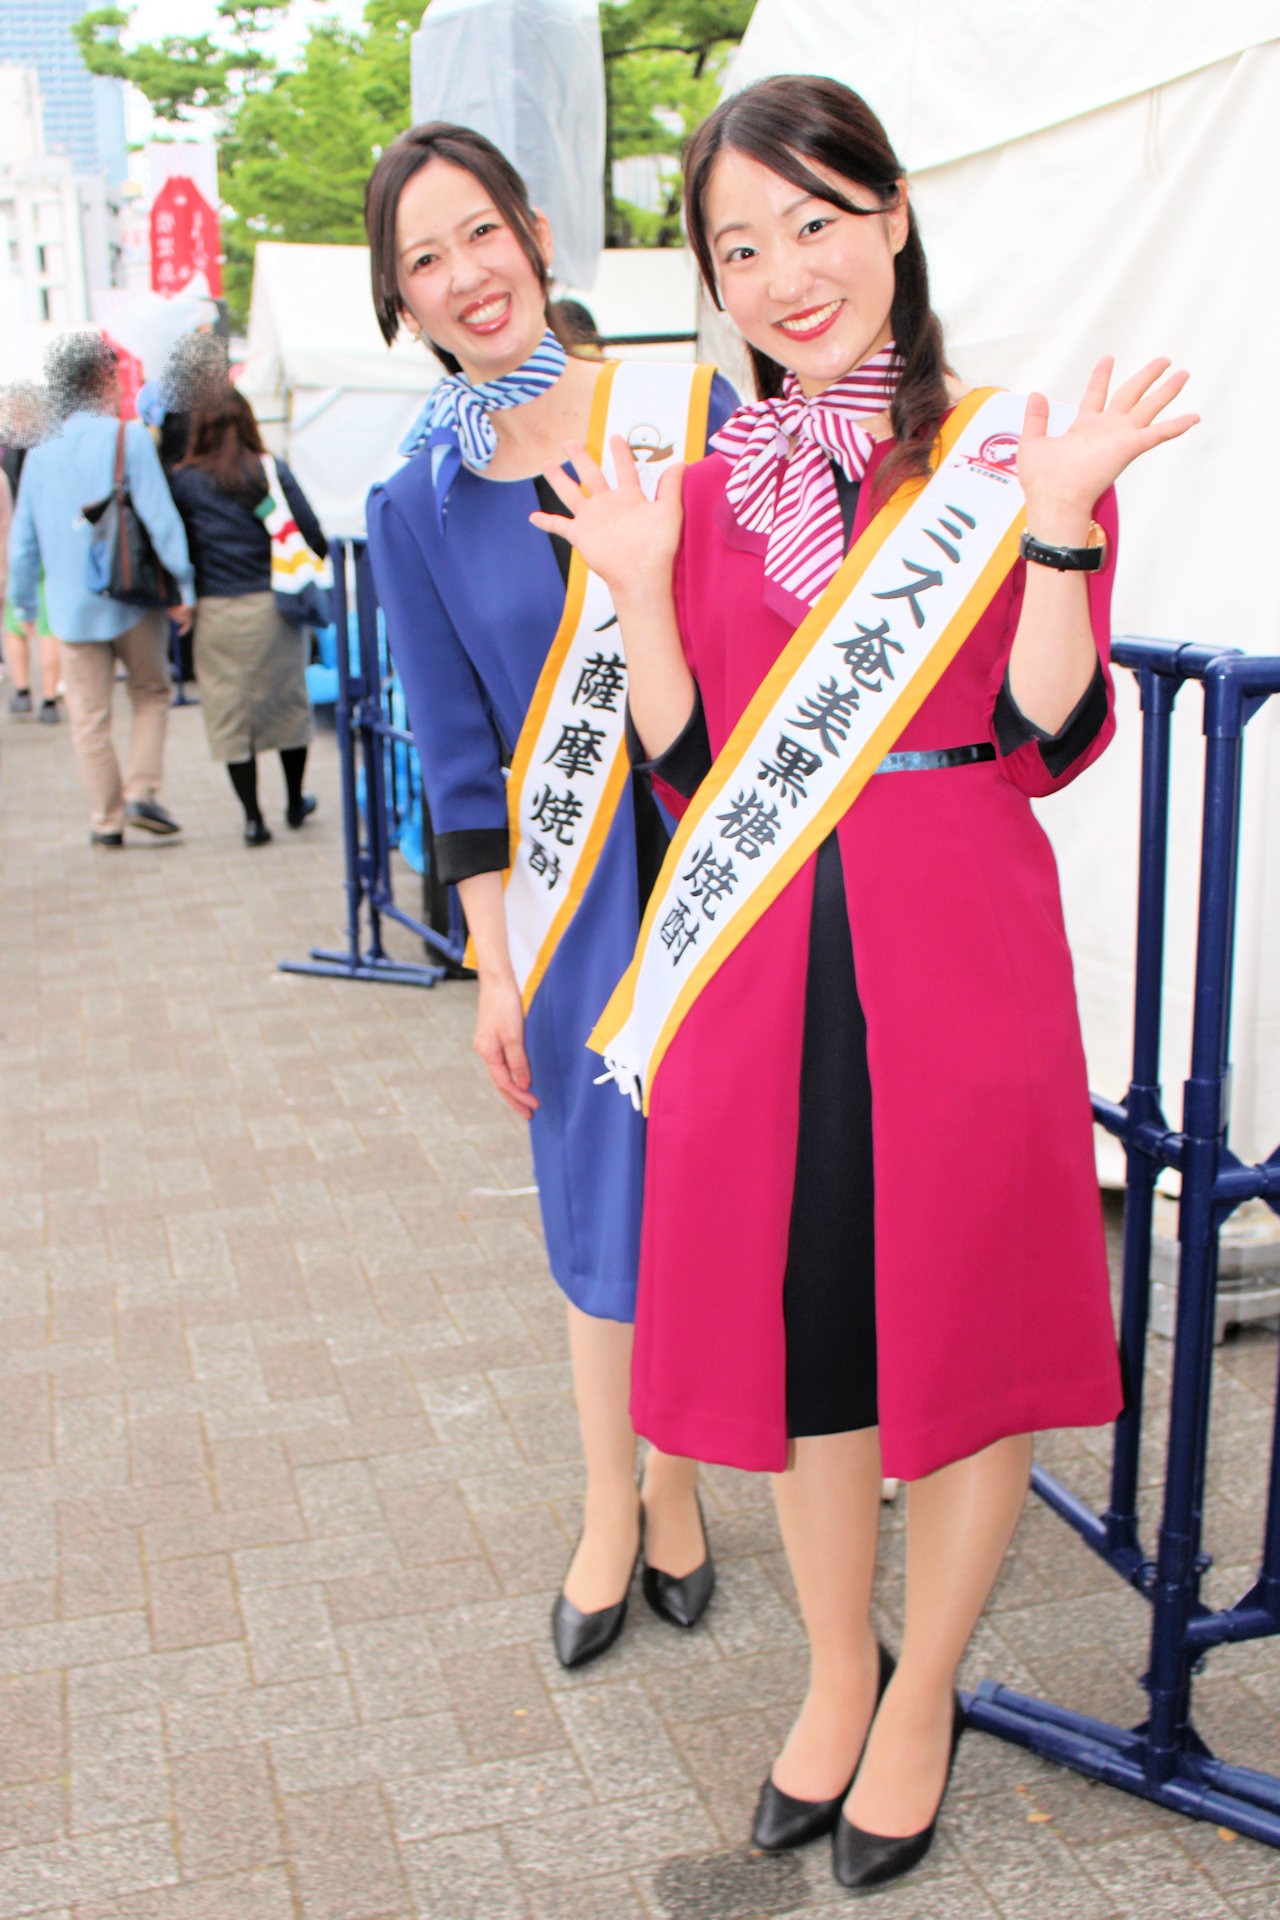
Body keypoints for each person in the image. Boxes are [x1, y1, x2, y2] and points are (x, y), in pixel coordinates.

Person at [533, 75, 1197, 1888]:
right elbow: (686, 774)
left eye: (813, 223)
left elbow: (1053, 731)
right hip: (766, 962)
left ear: (893, 215)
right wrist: (648, 593)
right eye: (736, 248)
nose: (780, 274)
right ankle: (842, 1674)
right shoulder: (714, 484)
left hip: (957, 938)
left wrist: (1060, 531)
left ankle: (930, 1701)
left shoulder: (999, 451)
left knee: (959, 1345)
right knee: (811, 1329)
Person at [362, 123, 737, 1668]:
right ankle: (610, 1500)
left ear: (534, 233)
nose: (466, 276)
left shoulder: (678, 413)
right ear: (405, 303)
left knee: (714, 1186)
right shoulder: (416, 503)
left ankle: (684, 1478)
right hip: (574, 902)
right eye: (424, 262)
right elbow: (459, 768)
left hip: (717, 860)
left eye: (479, 234)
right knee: (598, 1206)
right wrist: (494, 968)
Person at [6, 335, 193, 845]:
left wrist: (22, 603)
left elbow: (22, 542)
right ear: (103, 381)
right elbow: (160, 519)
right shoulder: (127, 438)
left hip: (69, 610)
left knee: (88, 720)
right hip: (133, 600)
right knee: (152, 693)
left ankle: (106, 823)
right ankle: (141, 790)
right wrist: (185, 586)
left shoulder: (40, 451)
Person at [169, 386, 322, 845]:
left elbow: (178, 548)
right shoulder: (270, 471)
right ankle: (295, 801)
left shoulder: (184, 480)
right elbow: (313, 534)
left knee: (231, 717)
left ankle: (253, 818)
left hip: (216, 613)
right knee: (288, 709)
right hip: (275, 609)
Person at [1, 383, 62, 723]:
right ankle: (50, 699)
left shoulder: (7, 451)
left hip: (14, 548)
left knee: (16, 621)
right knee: (47, 625)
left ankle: (23, 690)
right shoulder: (50, 447)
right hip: (48, 544)